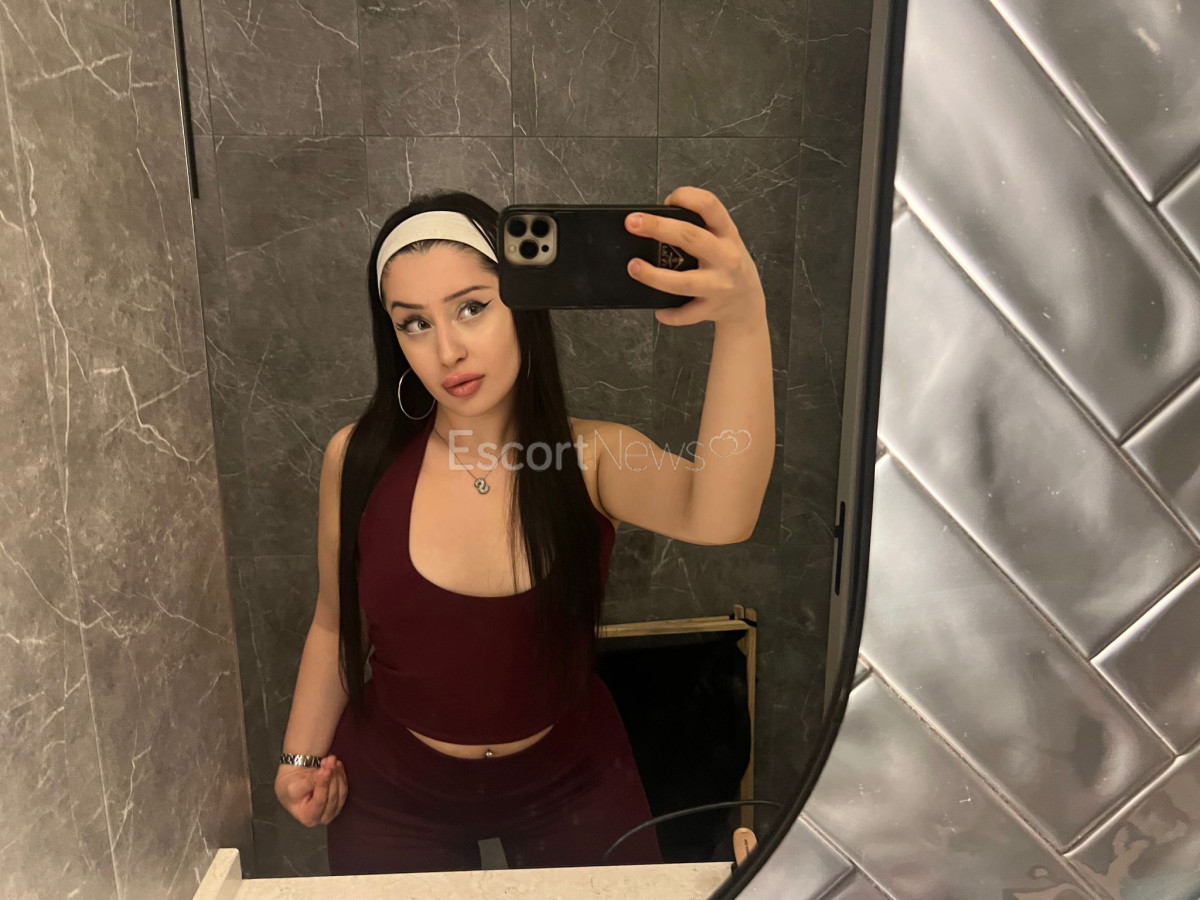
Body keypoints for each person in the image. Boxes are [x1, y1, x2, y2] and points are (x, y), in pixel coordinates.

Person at [272, 186, 774, 875]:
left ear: (522, 305)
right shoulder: (356, 459)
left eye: (472, 307)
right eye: (414, 323)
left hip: (571, 778)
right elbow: (335, 624)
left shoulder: (592, 457)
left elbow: (722, 514)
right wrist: (300, 758)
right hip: (394, 789)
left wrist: (743, 321)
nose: (447, 350)